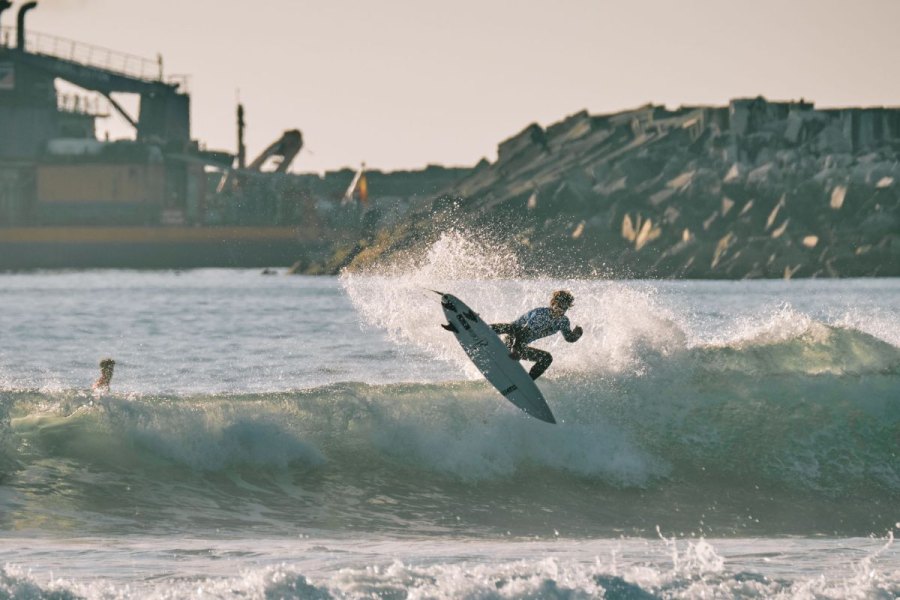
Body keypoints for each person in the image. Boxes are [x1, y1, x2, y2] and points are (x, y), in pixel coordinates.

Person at [491, 290, 583, 380]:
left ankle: (527, 382)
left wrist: (576, 335)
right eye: (559, 305)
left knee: (546, 358)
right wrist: (516, 350)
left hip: (520, 346)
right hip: (511, 340)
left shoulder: (563, 321)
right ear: (553, 303)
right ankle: (485, 328)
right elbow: (522, 333)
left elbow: (569, 338)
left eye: (564, 307)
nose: (561, 309)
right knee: (511, 328)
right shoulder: (541, 314)